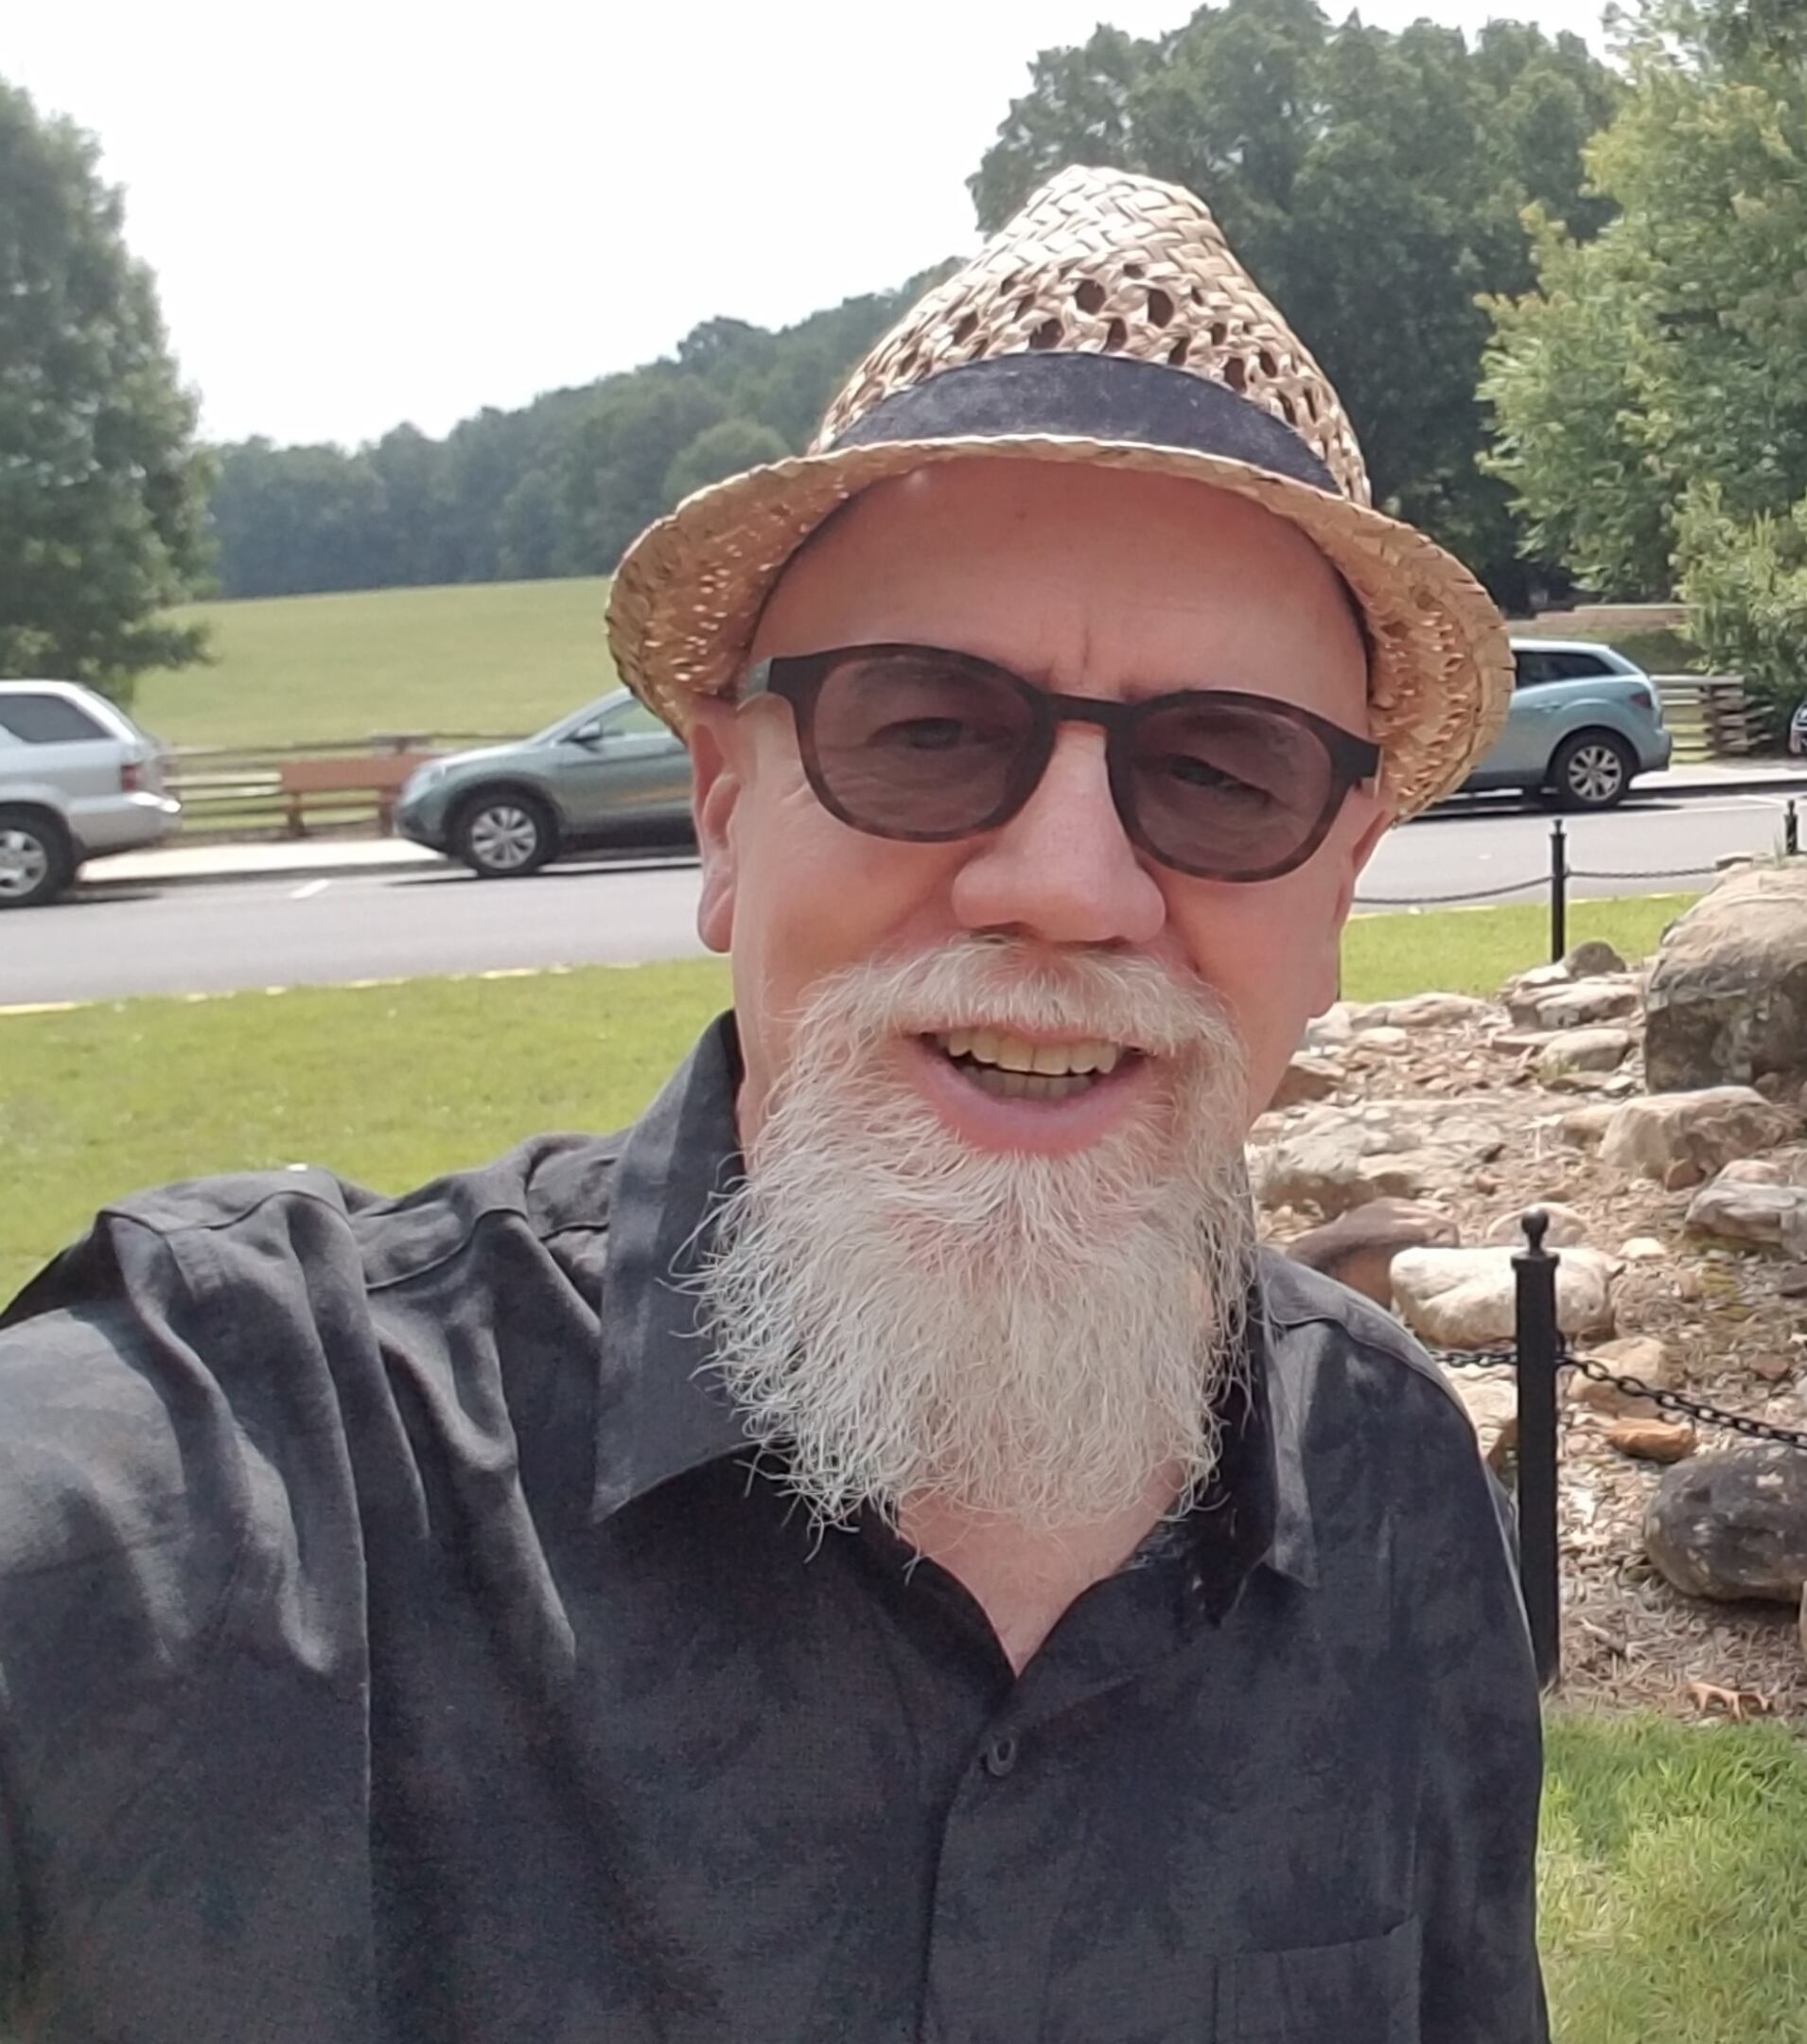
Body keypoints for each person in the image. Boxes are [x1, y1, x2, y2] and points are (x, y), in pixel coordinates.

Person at [0, 167, 1548, 2040]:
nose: (1065, 885)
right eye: (924, 731)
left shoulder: (1393, 1490)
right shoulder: (249, 1479)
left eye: (1223, 773)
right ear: (730, 821)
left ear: (1338, 893)